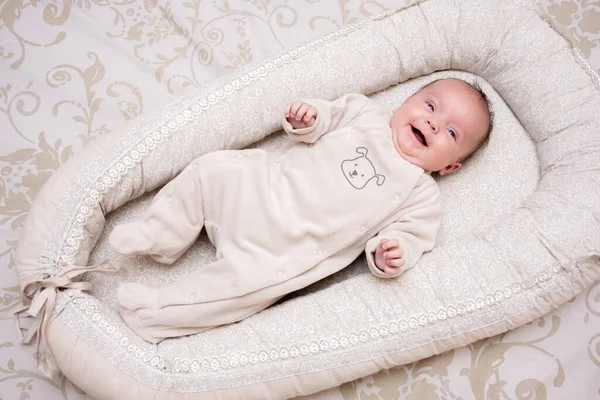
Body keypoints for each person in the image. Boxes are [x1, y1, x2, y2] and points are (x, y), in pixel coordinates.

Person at [109, 78, 492, 343]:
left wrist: (392, 252)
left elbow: (412, 237)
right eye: (430, 106)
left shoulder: (423, 195)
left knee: (232, 294)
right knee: (212, 168)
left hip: (283, 252)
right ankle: (164, 232)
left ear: (450, 167)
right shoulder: (363, 113)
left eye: (452, 133)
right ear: (405, 102)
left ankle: (155, 315)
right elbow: (320, 119)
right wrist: (305, 119)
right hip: (259, 189)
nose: (432, 123)